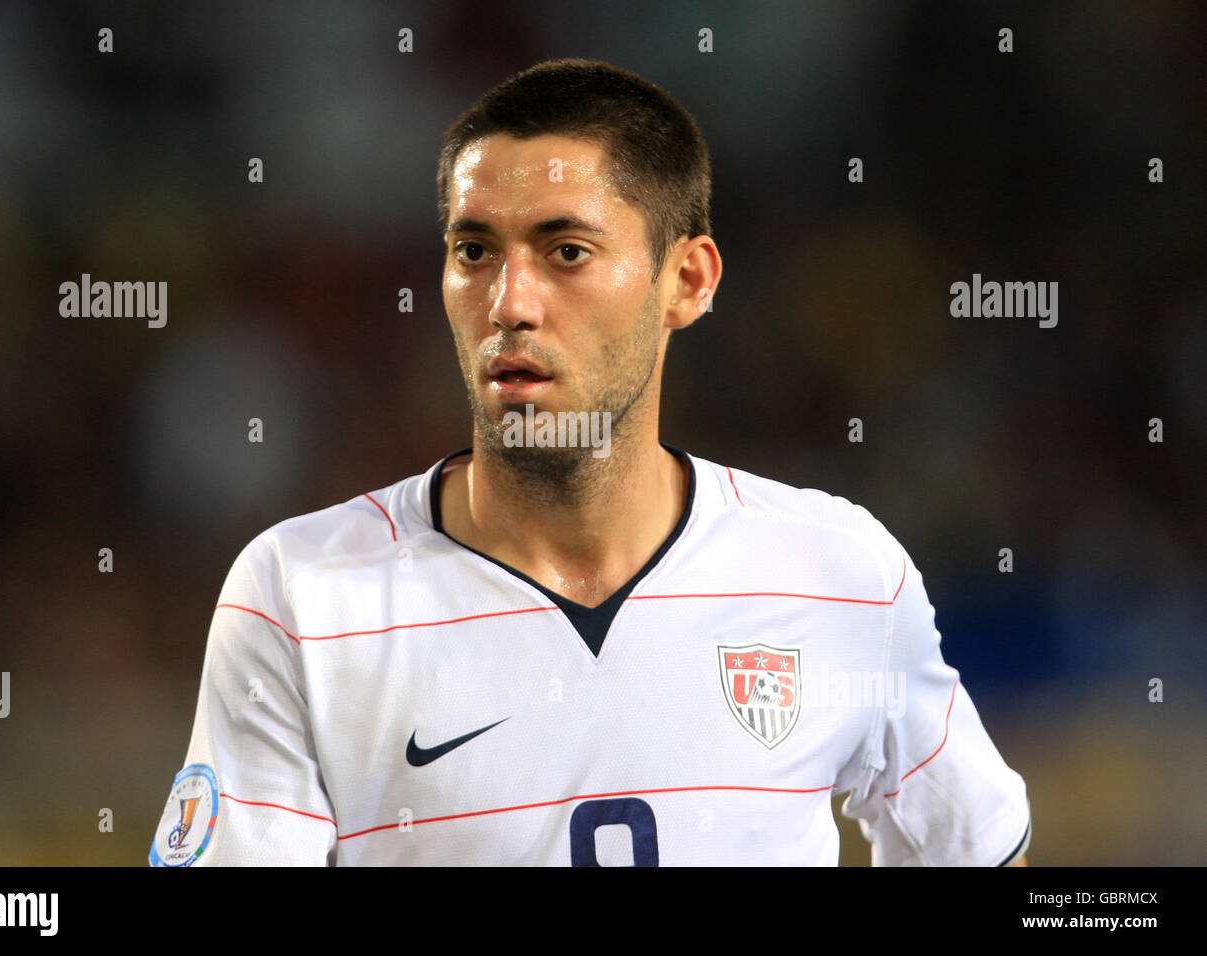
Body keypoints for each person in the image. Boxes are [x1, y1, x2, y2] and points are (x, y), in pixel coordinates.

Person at [149, 57, 1030, 866]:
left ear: (687, 281)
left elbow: (979, 845)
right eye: (474, 251)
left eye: (566, 251)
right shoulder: (303, 596)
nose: (509, 302)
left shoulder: (841, 575)